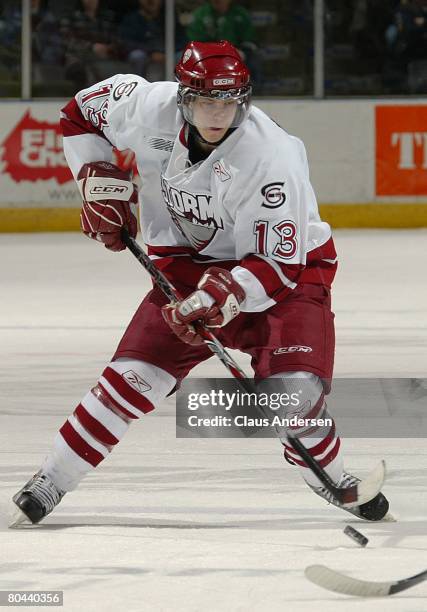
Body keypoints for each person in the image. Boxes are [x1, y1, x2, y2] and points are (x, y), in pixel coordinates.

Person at [11, 40, 390, 526]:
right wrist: (94, 174)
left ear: (245, 99)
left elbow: (277, 265)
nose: (218, 113)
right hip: (186, 265)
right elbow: (78, 114)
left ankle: (334, 479)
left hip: (286, 274)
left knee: (289, 399)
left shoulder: (273, 158)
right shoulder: (147, 107)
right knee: (131, 379)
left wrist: (221, 297)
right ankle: (51, 480)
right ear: (182, 98)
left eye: (230, 101)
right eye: (206, 101)